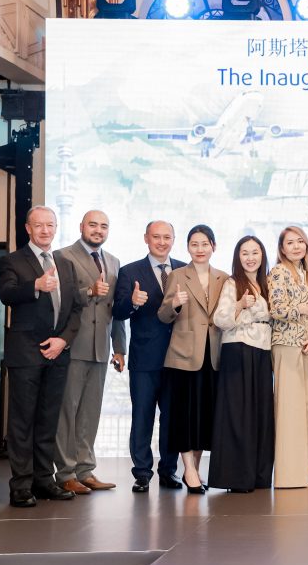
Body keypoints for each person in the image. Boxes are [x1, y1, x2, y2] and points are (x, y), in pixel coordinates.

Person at [0, 206, 83, 508]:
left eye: (50, 225)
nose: (45, 230)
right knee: (22, 422)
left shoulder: (66, 263)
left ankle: (44, 480)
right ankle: (21, 486)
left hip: (57, 353)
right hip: (25, 353)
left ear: (56, 227)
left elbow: (76, 308)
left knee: (48, 421)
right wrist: (35, 285)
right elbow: (6, 294)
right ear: (28, 228)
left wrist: (63, 340)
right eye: (39, 225)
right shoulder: (12, 261)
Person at [52, 210, 126, 495]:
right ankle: (65, 473)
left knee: (90, 413)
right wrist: (90, 291)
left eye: (103, 226)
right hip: (73, 344)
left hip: (101, 347)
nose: (98, 230)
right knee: (67, 412)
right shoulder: (62, 256)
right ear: (81, 226)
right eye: (93, 225)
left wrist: (119, 348)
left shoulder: (113, 261)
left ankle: (85, 470)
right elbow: (59, 300)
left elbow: (116, 310)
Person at [113, 220, 186, 492]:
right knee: (142, 416)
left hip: (178, 357)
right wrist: (132, 302)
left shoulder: (184, 270)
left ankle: (169, 470)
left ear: (173, 239)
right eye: (156, 237)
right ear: (146, 238)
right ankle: (142, 473)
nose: (162, 242)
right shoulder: (130, 271)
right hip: (144, 358)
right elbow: (118, 312)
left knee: (172, 418)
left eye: (167, 237)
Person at [158, 224, 228, 493]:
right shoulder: (177, 275)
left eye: (204, 244)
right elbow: (163, 315)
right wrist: (174, 303)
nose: (199, 249)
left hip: (214, 355)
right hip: (184, 356)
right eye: (194, 244)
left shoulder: (223, 278)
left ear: (213, 247)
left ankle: (195, 469)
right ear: (187, 247)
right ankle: (188, 469)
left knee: (204, 417)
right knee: (184, 416)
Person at [209, 235, 275, 492]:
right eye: (245, 253)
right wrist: (240, 304)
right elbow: (220, 319)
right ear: (238, 256)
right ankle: (236, 477)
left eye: (255, 252)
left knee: (260, 413)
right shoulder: (232, 282)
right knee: (238, 413)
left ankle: (258, 475)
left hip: (262, 351)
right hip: (238, 349)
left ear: (262, 255)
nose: (250, 258)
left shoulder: (266, 283)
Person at [268, 226, 308, 489]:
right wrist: (300, 308)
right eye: (290, 242)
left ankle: (307, 473)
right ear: (282, 248)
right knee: (289, 411)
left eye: (300, 241)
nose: (296, 246)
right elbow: (276, 309)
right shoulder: (278, 272)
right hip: (286, 345)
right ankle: (288, 475)